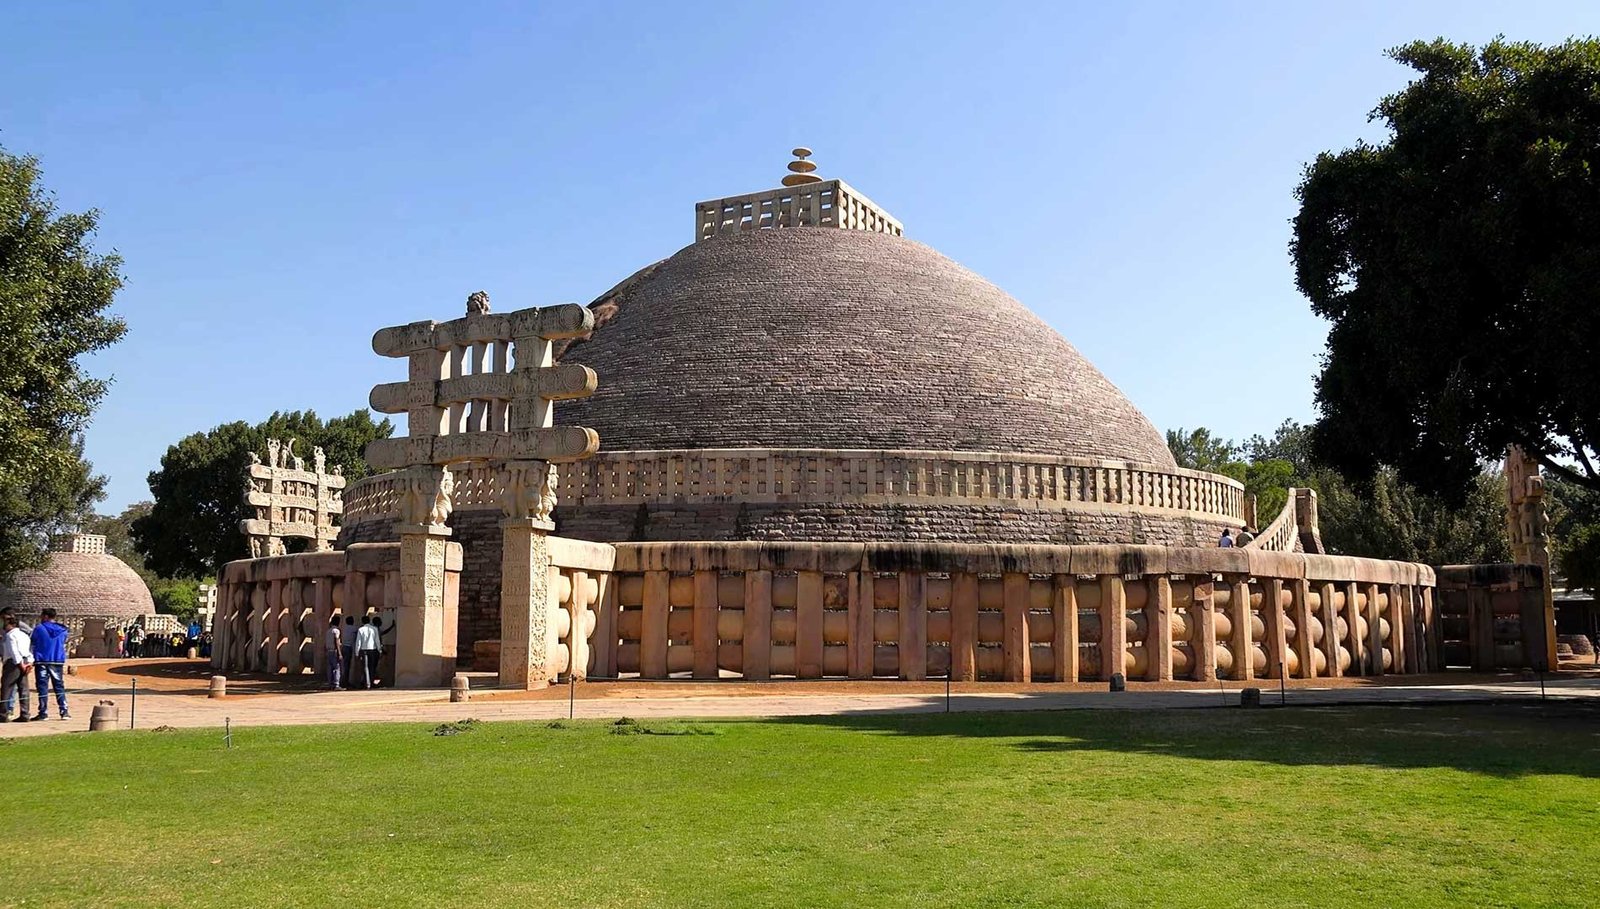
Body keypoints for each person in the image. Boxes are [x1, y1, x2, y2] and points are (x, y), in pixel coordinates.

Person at [29, 608, 69, 720]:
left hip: (42, 660)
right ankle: (64, 711)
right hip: (57, 660)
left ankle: (43, 712)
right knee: (59, 686)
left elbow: (33, 642)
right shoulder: (62, 630)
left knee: (42, 687)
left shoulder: (39, 628)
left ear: (46, 616)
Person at [1, 615, 33, 722]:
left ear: (11, 624)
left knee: (7, 688)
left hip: (14, 663)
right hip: (25, 661)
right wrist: (29, 663)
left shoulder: (11, 636)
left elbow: (14, 652)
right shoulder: (24, 635)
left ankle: (3, 714)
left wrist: (20, 664)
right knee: (23, 689)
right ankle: (25, 713)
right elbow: (28, 651)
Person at [355, 616, 383, 689]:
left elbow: (358, 642)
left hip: (364, 650)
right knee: (372, 667)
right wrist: (379, 649)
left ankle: (368, 684)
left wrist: (357, 652)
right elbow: (377, 640)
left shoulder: (360, 630)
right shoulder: (374, 629)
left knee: (365, 667)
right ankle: (371, 681)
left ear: (362, 621)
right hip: (372, 650)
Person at [324, 615, 343, 690]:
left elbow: (325, 643)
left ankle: (330, 684)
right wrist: (339, 653)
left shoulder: (328, 631)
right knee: (337, 668)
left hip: (328, 651)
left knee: (329, 668)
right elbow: (336, 642)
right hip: (334, 651)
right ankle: (336, 684)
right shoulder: (336, 631)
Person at [340, 615, 357, 686]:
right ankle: (345, 682)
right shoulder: (354, 628)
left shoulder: (344, 628)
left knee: (343, 665)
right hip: (349, 648)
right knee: (347, 665)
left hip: (343, 647)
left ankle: (342, 680)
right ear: (352, 622)